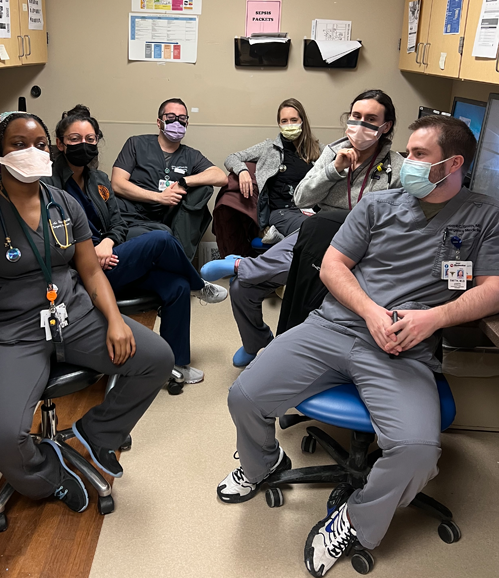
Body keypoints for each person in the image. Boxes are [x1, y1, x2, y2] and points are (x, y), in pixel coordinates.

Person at [217, 115, 499, 577]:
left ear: (453, 164)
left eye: (419, 155)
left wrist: (433, 318)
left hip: (404, 347)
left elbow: (492, 287)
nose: (406, 162)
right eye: (406, 152)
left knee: (417, 450)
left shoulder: (485, 217)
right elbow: (332, 267)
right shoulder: (378, 205)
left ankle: (354, 520)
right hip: (337, 326)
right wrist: (370, 311)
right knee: (244, 395)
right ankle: (261, 464)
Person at [0, 111, 174, 514]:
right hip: (11, 332)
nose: (33, 152)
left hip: (73, 316)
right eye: (19, 144)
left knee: (156, 359)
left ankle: (97, 434)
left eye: (41, 145)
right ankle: (50, 475)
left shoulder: (63, 204)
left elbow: (90, 270)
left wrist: (114, 318)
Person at [201, 90, 403, 367]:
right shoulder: (332, 152)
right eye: (356, 116)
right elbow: (302, 198)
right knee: (241, 290)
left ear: (386, 126)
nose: (360, 124)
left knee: (256, 274)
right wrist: (334, 169)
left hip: (358, 249)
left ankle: (241, 266)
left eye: (371, 119)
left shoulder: (397, 169)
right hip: (317, 229)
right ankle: (255, 341)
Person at [46, 104, 227, 388]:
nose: (84, 145)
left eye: (90, 140)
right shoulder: (49, 187)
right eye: (75, 139)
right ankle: (199, 284)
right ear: (60, 143)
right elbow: (52, 238)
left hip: (110, 258)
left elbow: (117, 223)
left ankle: (175, 364)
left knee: (176, 286)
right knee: (161, 239)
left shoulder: (98, 181)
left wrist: (108, 242)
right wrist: (90, 254)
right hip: (82, 273)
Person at [111, 98, 227, 259]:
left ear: (187, 123)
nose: (177, 122)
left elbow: (220, 177)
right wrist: (159, 197)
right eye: (171, 117)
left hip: (164, 219)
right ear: (159, 122)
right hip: (129, 215)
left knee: (204, 188)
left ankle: (180, 263)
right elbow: (117, 184)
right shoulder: (136, 144)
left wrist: (184, 181)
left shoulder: (191, 155)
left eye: (182, 118)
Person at [223, 98, 321, 245]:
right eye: (284, 121)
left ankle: (280, 240)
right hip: (282, 211)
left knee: (332, 229)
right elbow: (231, 158)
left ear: (302, 121)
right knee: (313, 230)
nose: (289, 125)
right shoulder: (269, 148)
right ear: (279, 124)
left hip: (312, 210)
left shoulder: (318, 150)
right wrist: (242, 171)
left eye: (294, 120)